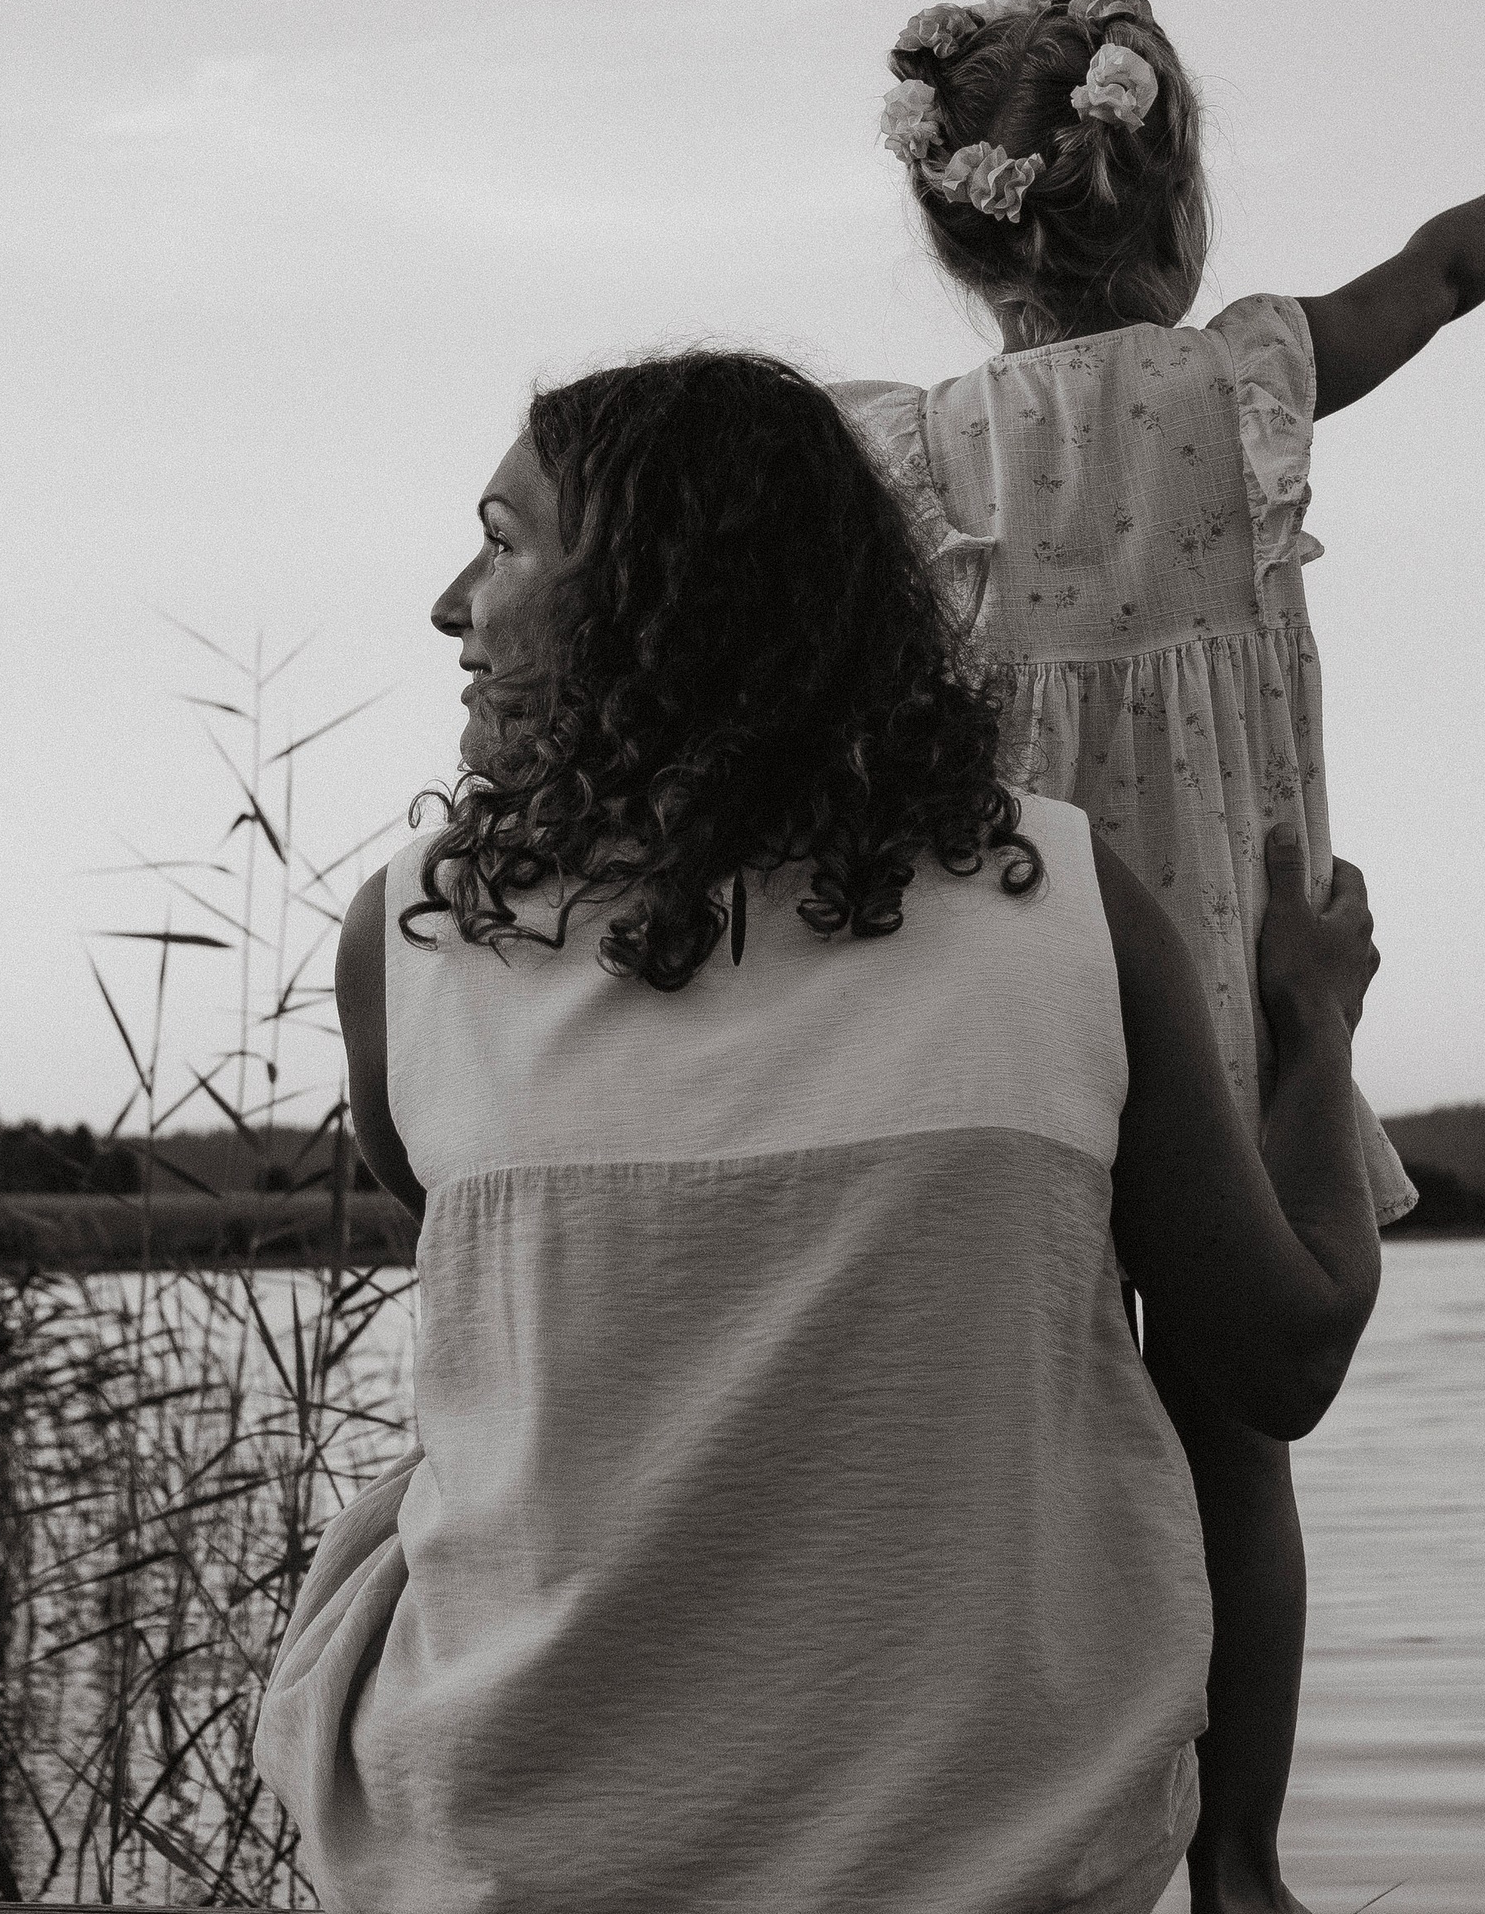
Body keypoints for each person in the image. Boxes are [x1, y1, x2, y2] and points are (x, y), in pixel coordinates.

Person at [256, 350, 1385, 1914]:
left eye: (506, 543)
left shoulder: (415, 939)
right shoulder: (1057, 897)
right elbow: (1286, 1356)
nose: (454, 604)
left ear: (659, 601)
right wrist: (1314, 1033)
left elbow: (458, 1253)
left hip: (507, 1858)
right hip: (989, 1864)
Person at [838, 0, 1485, 1914]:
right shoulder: (1243, 373)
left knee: (1008, 1450)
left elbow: (700, 511)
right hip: (1219, 974)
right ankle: (1245, 1862)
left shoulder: (912, 447)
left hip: (1000, 994)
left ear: (954, 223)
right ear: (1169, 196)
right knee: (1231, 1451)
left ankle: (977, 1829)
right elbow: (1428, 278)